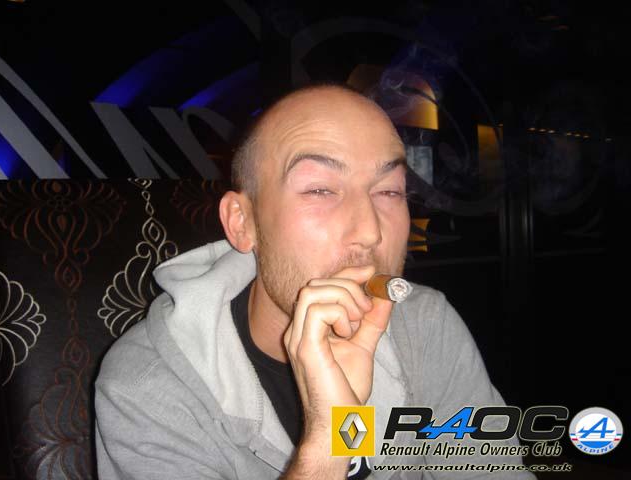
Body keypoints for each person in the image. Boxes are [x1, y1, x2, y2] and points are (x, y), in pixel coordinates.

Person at [95, 84, 535, 479]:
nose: (371, 232)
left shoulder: (423, 325)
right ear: (242, 222)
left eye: (389, 191)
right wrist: (327, 443)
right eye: (320, 190)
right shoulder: (149, 385)